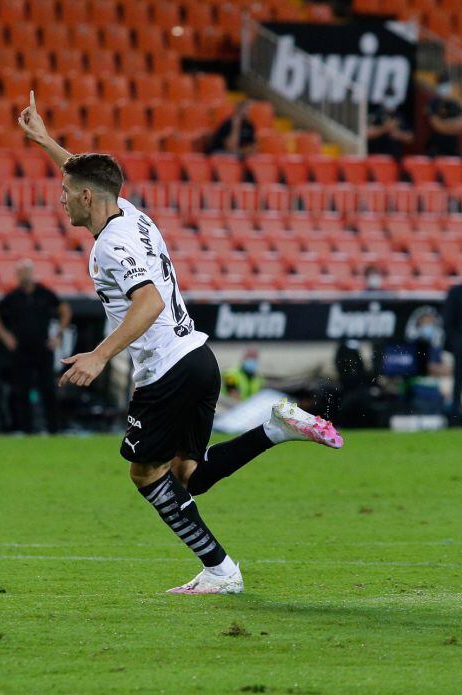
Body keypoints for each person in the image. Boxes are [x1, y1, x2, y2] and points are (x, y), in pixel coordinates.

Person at [18, 91, 343, 594]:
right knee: (188, 474)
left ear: (85, 199)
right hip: (199, 359)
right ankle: (276, 428)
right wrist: (45, 142)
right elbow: (90, 177)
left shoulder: (111, 244)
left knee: (146, 475)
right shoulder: (129, 214)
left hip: (166, 371)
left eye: (64, 191)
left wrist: (100, 356)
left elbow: (146, 303)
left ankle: (221, 570)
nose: (59, 197)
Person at [0, 260, 71, 433]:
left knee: (48, 388)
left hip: (43, 348)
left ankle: (53, 429)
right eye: (21, 272)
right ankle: (27, 430)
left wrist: (58, 335)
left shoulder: (44, 293)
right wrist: (5, 336)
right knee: (22, 390)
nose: (24, 275)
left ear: (32, 273)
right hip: (21, 349)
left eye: (26, 271)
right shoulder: (13, 296)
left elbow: (65, 309)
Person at [426, 74, 462, 157]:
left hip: (453, 148)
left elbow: (460, 125)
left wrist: (444, 124)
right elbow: (436, 125)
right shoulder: (433, 102)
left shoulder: (456, 103)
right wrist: (451, 125)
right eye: (443, 84)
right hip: (436, 147)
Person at [445, 281, 462, 424]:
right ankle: (455, 416)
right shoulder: (455, 293)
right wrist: (456, 344)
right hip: (460, 346)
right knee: (458, 382)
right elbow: (448, 322)